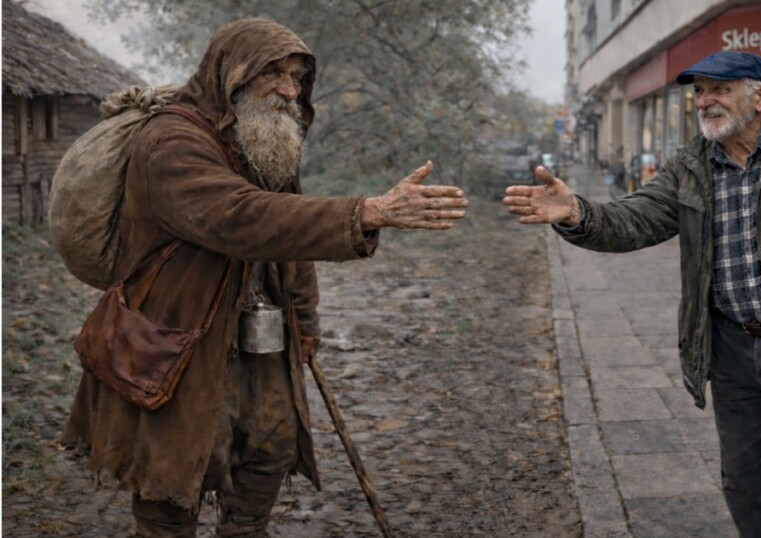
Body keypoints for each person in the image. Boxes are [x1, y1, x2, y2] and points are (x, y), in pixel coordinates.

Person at [60, 18, 468, 537]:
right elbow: (239, 216)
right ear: (232, 71)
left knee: (268, 458)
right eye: (271, 73)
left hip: (260, 346)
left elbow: (288, 240)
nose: (288, 89)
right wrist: (365, 212)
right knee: (170, 489)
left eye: (296, 76)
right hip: (172, 347)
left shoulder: (262, 139)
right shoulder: (171, 142)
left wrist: (305, 319)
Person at [504, 50, 761, 537]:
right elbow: (635, 220)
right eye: (698, 92)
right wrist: (575, 214)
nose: (705, 101)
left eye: (719, 89)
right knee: (743, 482)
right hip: (731, 350)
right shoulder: (692, 164)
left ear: (759, 96)